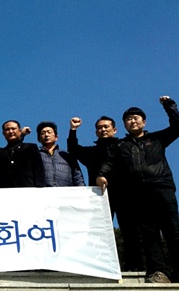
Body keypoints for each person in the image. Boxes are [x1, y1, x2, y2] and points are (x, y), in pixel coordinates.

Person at [97, 96, 179, 283]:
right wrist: (101, 174)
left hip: (162, 188)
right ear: (124, 125)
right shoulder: (120, 145)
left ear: (144, 121)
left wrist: (169, 105)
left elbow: (177, 126)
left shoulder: (157, 138)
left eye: (136, 118)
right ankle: (160, 272)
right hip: (138, 194)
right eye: (128, 119)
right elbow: (109, 162)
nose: (132, 121)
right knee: (149, 235)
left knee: (173, 231)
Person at [67, 116, 143, 271]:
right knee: (97, 231)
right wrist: (73, 130)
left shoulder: (125, 146)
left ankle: (134, 266)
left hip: (125, 194)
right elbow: (73, 149)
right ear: (96, 132)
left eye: (106, 127)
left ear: (114, 130)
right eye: (100, 128)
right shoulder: (92, 152)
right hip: (98, 196)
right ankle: (98, 265)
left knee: (130, 231)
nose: (103, 130)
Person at [0, 120, 45, 188]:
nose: (11, 131)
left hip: (27, 190)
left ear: (20, 131)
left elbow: (38, 170)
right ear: (3, 133)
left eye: (13, 129)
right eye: (7, 129)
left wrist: (40, 189)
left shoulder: (30, 148)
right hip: (4, 191)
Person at [36, 121, 84, 187]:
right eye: (43, 133)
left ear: (56, 137)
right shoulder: (35, 156)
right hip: (43, 193)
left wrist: (82, 191)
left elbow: (77, 176)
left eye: (49, 132)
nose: (46, 135)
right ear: (39, 139)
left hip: (66, 193)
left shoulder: (66, 155)